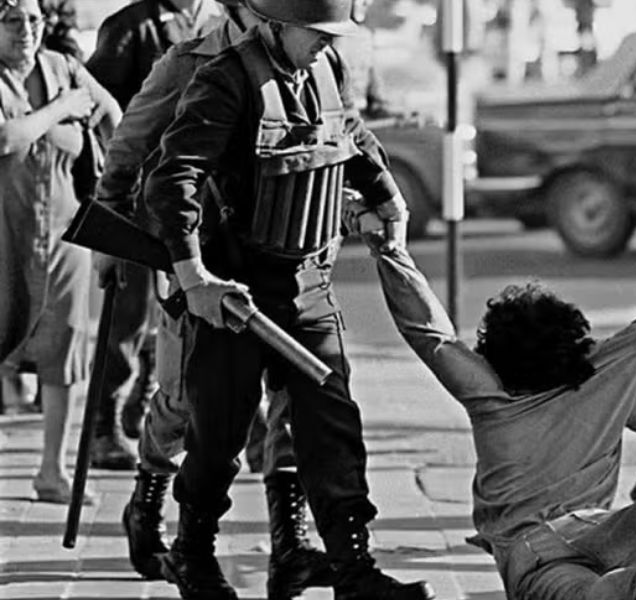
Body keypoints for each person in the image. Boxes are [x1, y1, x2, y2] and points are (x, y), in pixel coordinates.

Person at [141, 0, 433, 598]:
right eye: (316, 33)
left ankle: (353, 571)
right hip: (237, 296)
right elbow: (174, 176)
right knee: (218, 437)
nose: (327, 44)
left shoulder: (324, 70)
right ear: (275, 24)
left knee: (333, 427)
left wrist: (388, 197)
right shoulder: (223, 79)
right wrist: (194, 277)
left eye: (333, 35)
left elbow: (349, 132)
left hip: (308, 286)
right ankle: (191, 555)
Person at [350, 207, 636, 599]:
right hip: (605, 529)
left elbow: (431, 335)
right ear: (574, 342)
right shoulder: (605, 379)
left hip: (534, 550)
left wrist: (391, 251)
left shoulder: (492, 396)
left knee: (576, 590)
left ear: (494, 356)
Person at [94, 2, 335, 597]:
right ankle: (148, 496)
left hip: (283, 262)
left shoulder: (309, 53)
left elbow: (334, 132)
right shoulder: (188, 62)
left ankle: (291, 544)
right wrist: (107, 234)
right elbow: (131, 148)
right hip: (199, 262)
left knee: (290, 401)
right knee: (182, 400)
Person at [84, 0, 224, 471]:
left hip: (201, 200)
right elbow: (104, 112)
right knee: (126, 319)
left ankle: (145, 413)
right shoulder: (130, 27)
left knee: (178, 321)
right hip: (142, 198)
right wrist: (111, 206)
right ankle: (105, 424)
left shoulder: (223, 21)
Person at [0, 0, 121, 503]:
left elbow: (113, 116)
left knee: (66, 348)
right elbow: (6, 136)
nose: (27, 30)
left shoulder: (64, 67)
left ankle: (52, 470)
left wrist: (118, 186)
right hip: (5, 232)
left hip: (67, 230)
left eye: (34, 19)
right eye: (11, 21)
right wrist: (61, 112)